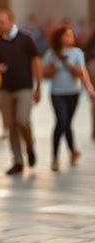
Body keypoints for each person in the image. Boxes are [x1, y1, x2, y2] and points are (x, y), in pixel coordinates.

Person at [0, 8, 42, 176]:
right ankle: (18, 161)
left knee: (22, 120)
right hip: (5, 89)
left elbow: (36, 62)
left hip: (25, 87)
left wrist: (39, 86)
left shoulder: (26, 40)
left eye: (3, 22)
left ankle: (30, 145)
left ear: (12, 20)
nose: (0, 25)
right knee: (11, 126)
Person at [43, 24, 95, 171]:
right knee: (61, 121)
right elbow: (45, 74)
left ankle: (72, 152)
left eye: (71, 35)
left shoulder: (77, 53)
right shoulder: (51, 54)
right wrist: (53, 67)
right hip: (57, 93)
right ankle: (55, 157)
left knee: (66, 124)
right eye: (66, 35)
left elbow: (82, 73)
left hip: (73, 92)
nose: (70, 38)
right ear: (59, 38)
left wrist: (90, 89)